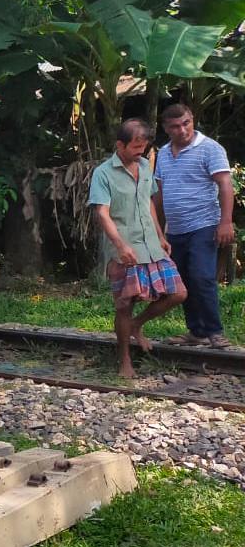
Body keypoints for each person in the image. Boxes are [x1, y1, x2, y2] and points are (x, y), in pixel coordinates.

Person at [89, 119, 187, 378]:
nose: (140, 152)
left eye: (143, 147)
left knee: (178, 293)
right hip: (125, 248)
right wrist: (120, 246)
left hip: (152, 246)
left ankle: (135, 326)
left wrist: (160, 234)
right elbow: (102, 213)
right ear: (119, 144)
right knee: (124, 305)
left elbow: (149, 203)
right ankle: (124, 361)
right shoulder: (103, 173)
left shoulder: (145, 165)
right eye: (135, 147)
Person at [155, 104, 235, 349]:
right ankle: (196, 331)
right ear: (166, 129)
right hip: (175, 230)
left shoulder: (210, 148)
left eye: (186, 123)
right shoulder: (164, 153)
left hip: (204, 224)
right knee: (184, 282)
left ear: (192, 120)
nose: (182, 130)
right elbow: (158, 193)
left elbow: (224, 185)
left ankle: (215, 331)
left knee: (202, 277)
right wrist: (158, 230)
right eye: (175, 126)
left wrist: (225, 222)